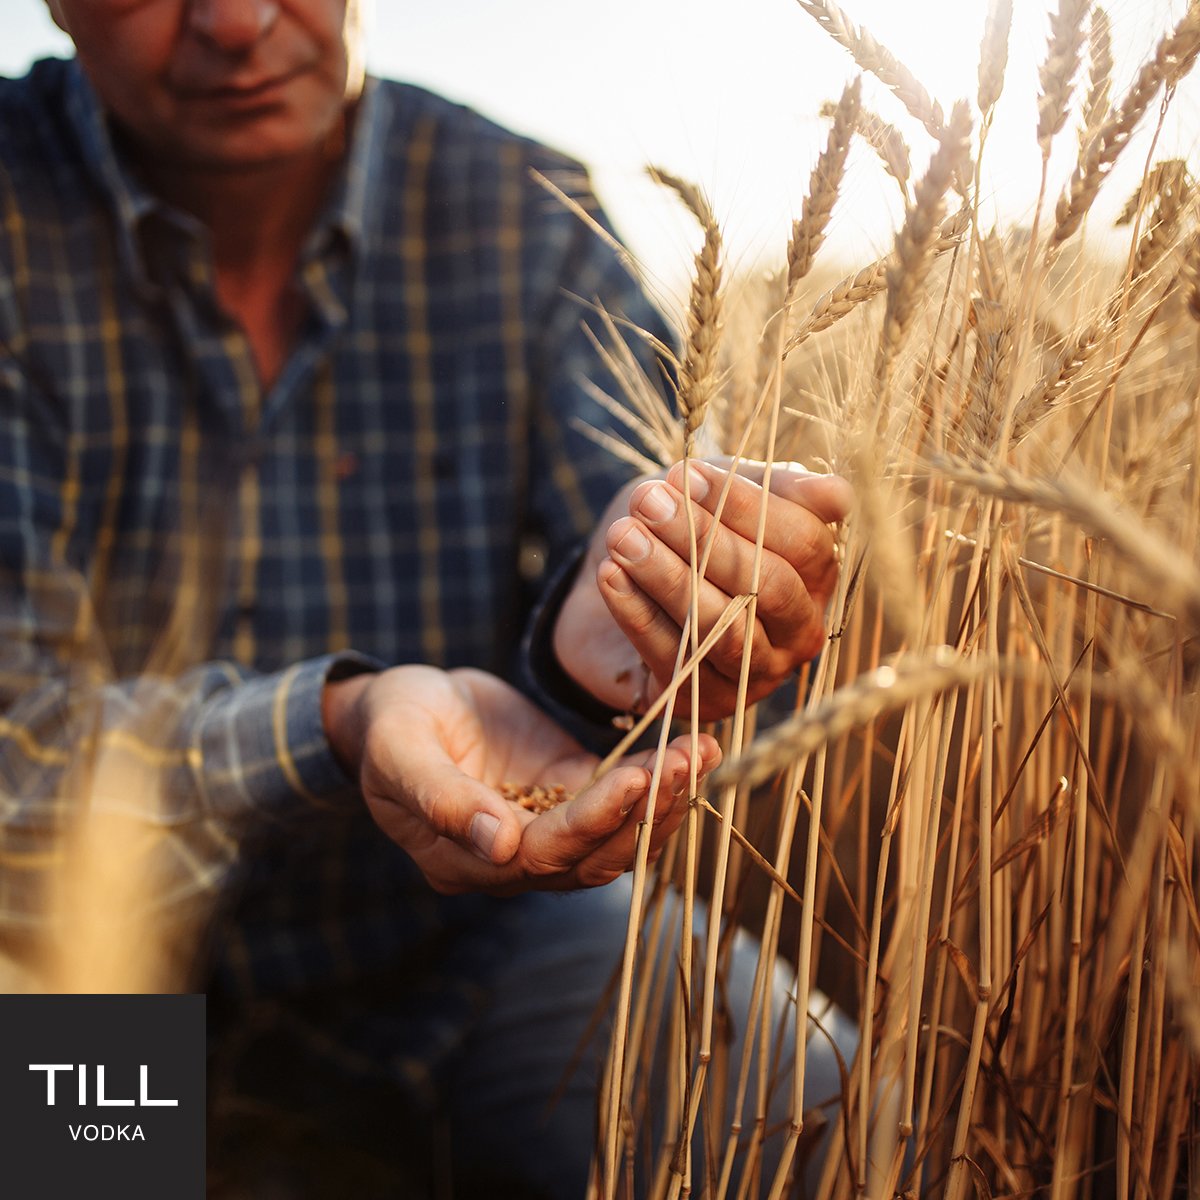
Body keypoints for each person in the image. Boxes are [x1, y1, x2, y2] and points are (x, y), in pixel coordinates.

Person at [0, 1, 853, 1194]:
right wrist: (340, 724)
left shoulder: (528, 215)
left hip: (470, 938)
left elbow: (634, 551)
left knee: (842, 1145)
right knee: (78, 1168)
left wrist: (631, 633)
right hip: (77, 969)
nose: (239, 22)